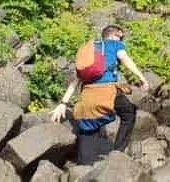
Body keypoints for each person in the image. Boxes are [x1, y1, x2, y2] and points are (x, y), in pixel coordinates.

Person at [51, 25, 150, 163]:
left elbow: (76, 80)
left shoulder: (90, 51)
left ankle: (83, 167)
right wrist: (142, 77)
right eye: (121, 37)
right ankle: (117, 153)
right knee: (129, 113)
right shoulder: (115, 44)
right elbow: (125, 58)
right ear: (116, 35)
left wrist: (63, 103)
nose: (121, 40)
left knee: (89, 127)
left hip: (87, 96)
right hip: (107, 91)